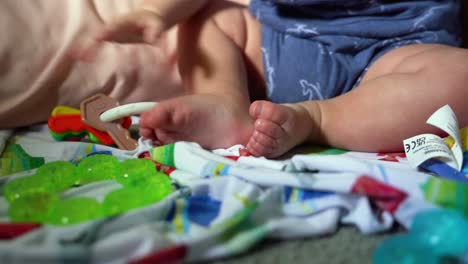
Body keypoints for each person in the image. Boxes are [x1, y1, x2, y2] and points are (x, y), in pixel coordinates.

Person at [2, 0, 467, 159]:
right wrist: (154, 14)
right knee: (210, 17)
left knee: (458, 78)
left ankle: (316, 119)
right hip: (278, 43)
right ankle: (223, 100)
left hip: (395, 52)